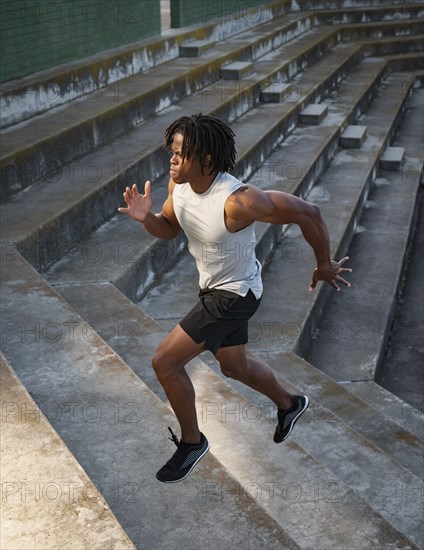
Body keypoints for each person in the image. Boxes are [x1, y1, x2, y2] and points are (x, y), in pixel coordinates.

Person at [118, 113, 351, 483]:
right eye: (172, 152)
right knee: (234, 367)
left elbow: (309, 212)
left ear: (207, 160)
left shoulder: (239, 201)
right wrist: (146, 218)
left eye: (181, 154)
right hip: (214, 287)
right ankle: (290, 405)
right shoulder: (178, 184)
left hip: (235, 294)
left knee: (164, 362)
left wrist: (324, 265)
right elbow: (167, 229)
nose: (173, 160)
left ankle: (192, 443)